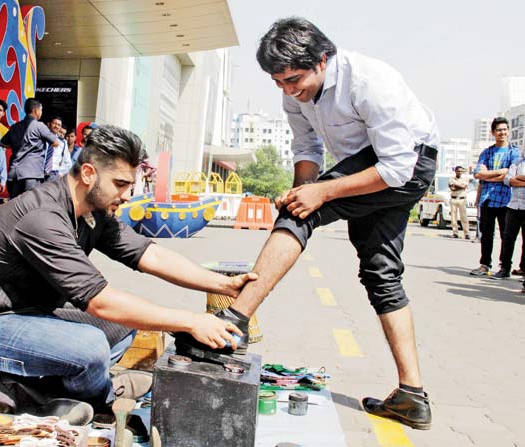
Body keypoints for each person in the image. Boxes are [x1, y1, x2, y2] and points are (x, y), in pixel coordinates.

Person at [184, 17, 439, 430]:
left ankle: (234, 322)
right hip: (368, 170)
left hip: (408, 166)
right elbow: (307, 147)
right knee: (381, 275)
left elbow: (398, 168)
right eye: (278, 81)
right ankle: (412, 396)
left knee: (302, 212)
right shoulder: (295, 93)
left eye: (295, 79)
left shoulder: (370, 81)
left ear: (323, 59)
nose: (288, 90)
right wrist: (301, 187)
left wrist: (317, 195)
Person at [0, 125, 254, 411]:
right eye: (120, 184)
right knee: (90, 346)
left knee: (122, 328)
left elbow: (149, 255)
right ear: (88, 173)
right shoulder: (42, 217)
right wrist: (191, 321)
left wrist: (223, 285)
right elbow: (100, 300)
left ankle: (57, 388)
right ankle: (102, 398)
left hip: (28, 314)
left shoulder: (93, 211)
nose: (127, 195)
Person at [470, 117, 520, 276]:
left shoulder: (514, 152)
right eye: (499, 130)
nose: (503, 133)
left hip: (507, 199)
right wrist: (500, 172)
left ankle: (504, 267)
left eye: (505, 129)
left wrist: (488, 175)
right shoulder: (487, 152)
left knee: (507, 236)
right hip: (487, 198)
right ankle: (485, 264)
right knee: (486, 234)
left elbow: (511, 174)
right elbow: (478, 173)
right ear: (493, 132)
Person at [2, 98, 59, 199]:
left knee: (16, 206)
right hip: (32, 173)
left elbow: (3, 143)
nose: (41, 113)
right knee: (30, 205)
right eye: (41, 110)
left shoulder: (15, 126)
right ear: (36, 110)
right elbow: (55, 142)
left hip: (15, 173)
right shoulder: (39, 126)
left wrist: (18, 145)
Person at [493, 149, 525, 280]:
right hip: (513, 206)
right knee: (508, 239)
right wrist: (518, 180)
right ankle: (505, 268)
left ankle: (523, 268)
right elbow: (507, 180)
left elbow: (513, 179)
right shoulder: (517, 163)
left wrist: (517, 178)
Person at [449, 166, 471, 239]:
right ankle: (455, 232)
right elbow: (452, 188)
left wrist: (456, 185)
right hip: (454, 199)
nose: (460, 172)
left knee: (463, 217)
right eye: (458, 171)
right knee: (453, 217)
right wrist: (460, 186)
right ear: (455, 171)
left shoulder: (465, 179)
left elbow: (464, 186)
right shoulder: (452, 179)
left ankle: (466, 233)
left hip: (462, 199)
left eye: (461, 171)